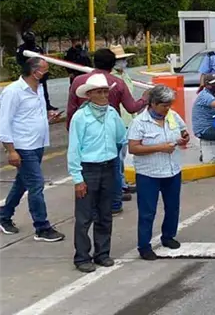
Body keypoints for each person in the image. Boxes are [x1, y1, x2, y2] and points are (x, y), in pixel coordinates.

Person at [68, 48, 147, 213]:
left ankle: (95, 201)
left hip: (85, 131)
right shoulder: (116, 82)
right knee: (114, 167)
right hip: (111, 130)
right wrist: (145, 99)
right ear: (113, 64)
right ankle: (115, 202)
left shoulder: (78, 81)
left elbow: (71, 108)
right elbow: (132, 107)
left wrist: (72, 130)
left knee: (88, 170)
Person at [0, 57, 65, 242]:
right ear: (33, 71)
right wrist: (11, 150)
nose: (47, 73)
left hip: (37, 144)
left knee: (23, 182)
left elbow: (29, 115)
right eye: (44, 69)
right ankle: (42, 227)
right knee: (36, 184)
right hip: (23, 146)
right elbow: (4, 123)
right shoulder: (13, 92)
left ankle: (4, 214)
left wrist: (47, 117)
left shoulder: (39, 89)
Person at [68, 73, 128, 272]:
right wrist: (78, 178)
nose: (104, 96)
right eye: (99, 92)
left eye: (105, 92)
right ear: (89, 95)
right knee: (84, 216)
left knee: (105, 214)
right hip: (89, 169)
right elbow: (74, 149)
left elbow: (121, 137)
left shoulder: (111, 113)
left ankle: (102, 253)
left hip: (109, 167)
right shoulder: (80, 117)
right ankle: (82, 257)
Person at [127, 85, 188, 261]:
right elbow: (134, 148)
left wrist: (184, 137)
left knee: (172, 207)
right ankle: (144, 245)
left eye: (169, 104)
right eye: (163, 105)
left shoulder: (172, 116)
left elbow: (183, 131)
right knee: (147, 211)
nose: (167, 108)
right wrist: (160, 147)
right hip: (149, 174)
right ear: (153, 103)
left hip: (172, 170)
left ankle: (168, 236)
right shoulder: (139, 122)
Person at [110, 46, 138, 197]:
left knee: (122, 155)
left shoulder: (124, 75)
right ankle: (118, 187)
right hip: (118, 119)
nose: (124, 62)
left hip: (128, 118)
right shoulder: (112, 78)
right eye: (121, 60)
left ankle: (122, 183)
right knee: (117, 157)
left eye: (124, 59)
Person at [16, 31, 55, 111]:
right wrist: (29, 68)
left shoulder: (37, 48)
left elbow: (42, 58)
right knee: (29, 91)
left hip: (40, 72)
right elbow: (20, 61)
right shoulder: (21, 49)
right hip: (29, 74)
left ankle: (46, 105)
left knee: (43, 89)